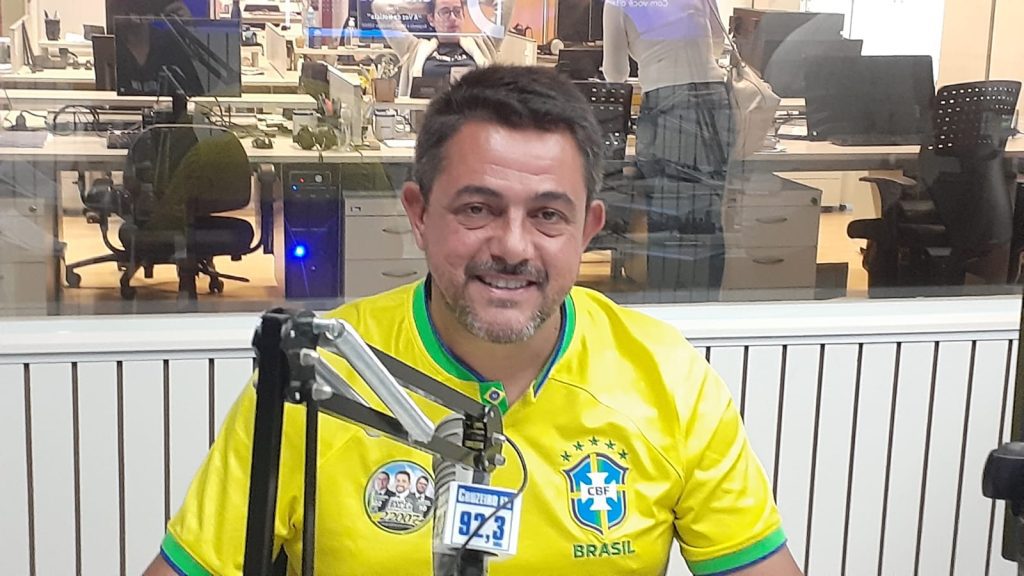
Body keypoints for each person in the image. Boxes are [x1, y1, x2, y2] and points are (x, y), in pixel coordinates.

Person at [143, 66, 802, 575]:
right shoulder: (318, 377)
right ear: (419, 214)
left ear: (588, 230)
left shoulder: (667, 379)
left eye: (548, 215)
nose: (513, 247)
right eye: (478, 209)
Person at [373, 0, 516, 96]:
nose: (452, 18)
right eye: (445, 12)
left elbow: (505, 2)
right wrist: (429, 4)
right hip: (428, 124)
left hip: (473, 120)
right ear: (431, 19)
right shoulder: (413, 49)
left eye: (457, 11)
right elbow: (381, 7)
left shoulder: (484, 45)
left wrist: (466, 2)